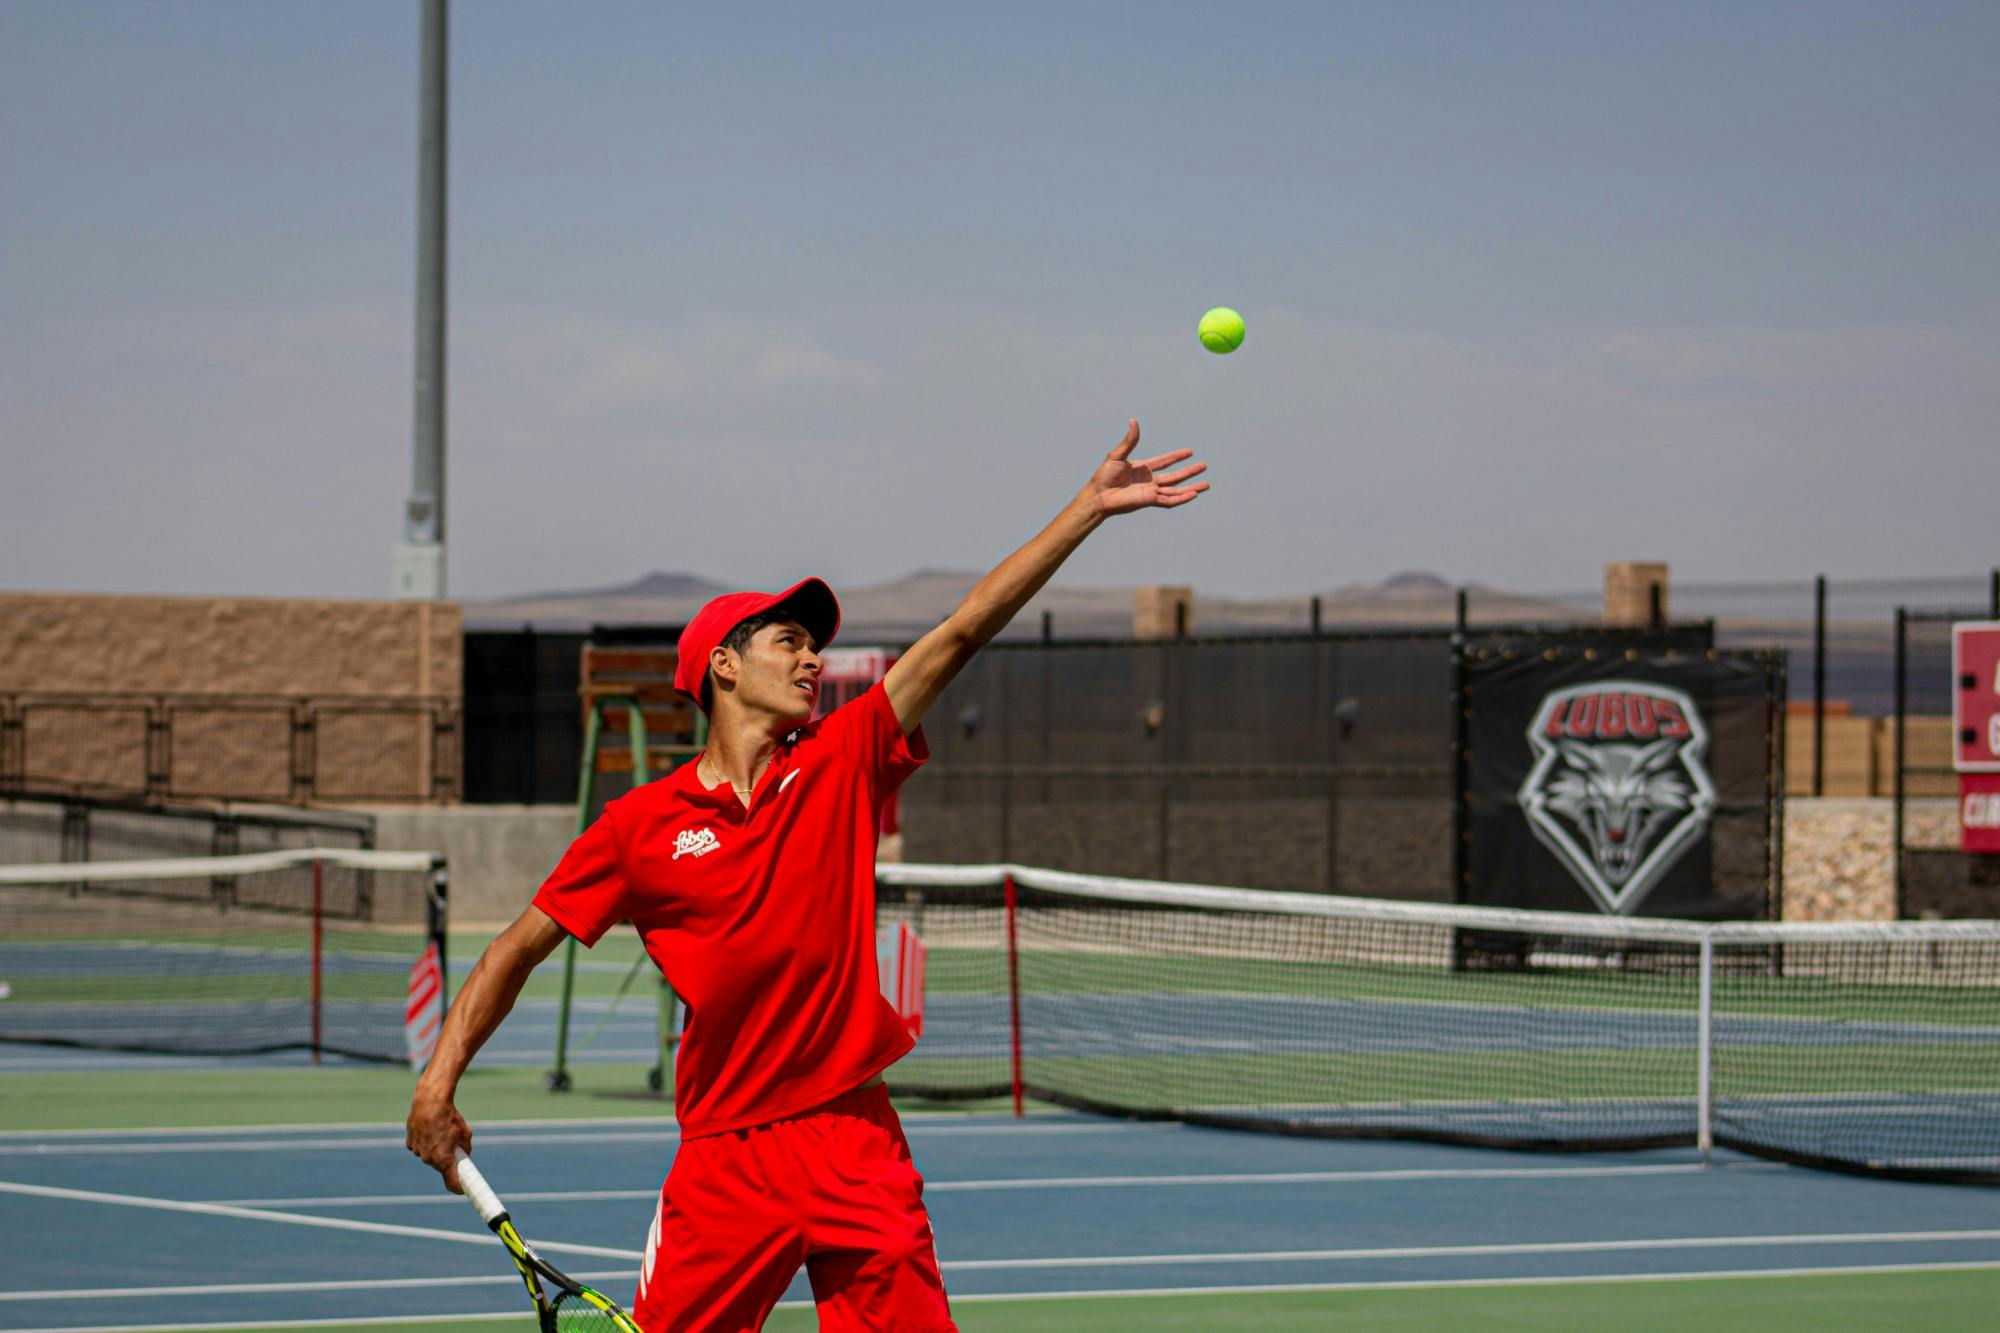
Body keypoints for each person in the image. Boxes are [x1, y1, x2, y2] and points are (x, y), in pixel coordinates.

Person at [407, 419, 1207, 1331]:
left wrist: (1087, 510)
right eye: (787, 640)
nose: (811, 658)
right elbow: (515, 949)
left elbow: (960, 632)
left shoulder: (841, 756)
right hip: (725, 1158)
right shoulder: (638, 827)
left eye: (814, 644)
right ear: (722, 666)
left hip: (855, 1137)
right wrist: (439, 1081)